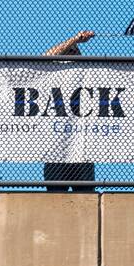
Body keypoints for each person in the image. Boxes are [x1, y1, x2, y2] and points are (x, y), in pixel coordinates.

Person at [42, 30, 96, 192]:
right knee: (55, 196)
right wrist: (74, 40)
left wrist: (75, 48)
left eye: (74, 53)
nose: (71, 53)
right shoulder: (53, 76)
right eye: (68, 51)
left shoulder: (87, 77)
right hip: (56, 147)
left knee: (86, 196)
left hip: (81, 148)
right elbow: (45, 57)